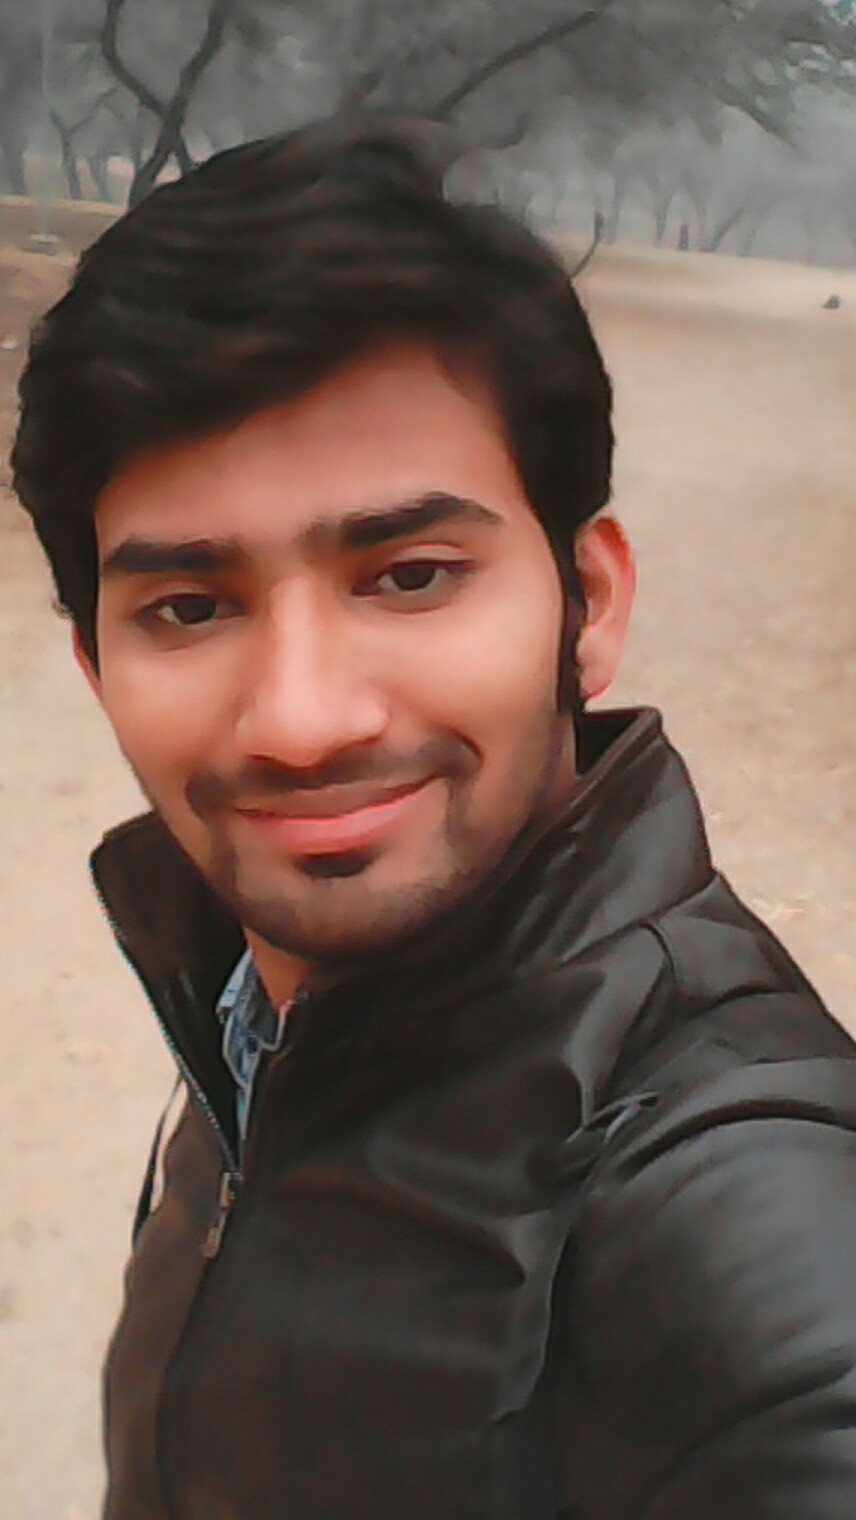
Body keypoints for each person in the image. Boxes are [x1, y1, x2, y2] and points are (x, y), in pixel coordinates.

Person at [11, 114, 856, 1520]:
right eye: (191, 608)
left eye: (409, 576)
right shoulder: (250, 1005)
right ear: (98, 666)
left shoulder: (732, 1201)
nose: (302, 721)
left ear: (590, 605)